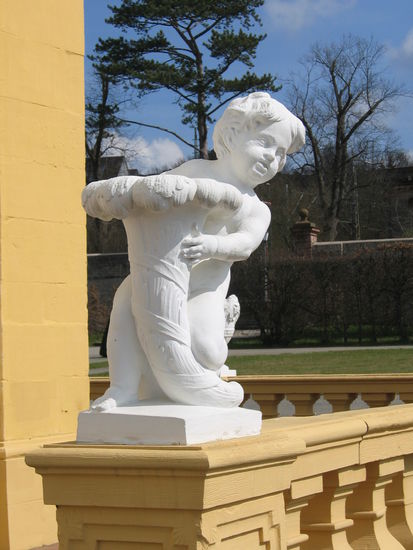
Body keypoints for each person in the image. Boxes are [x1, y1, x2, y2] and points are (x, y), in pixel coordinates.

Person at [83, 92, 305, 410]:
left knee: (208, 349)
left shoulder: (256, 208)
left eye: (281, 153)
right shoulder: (196, 169)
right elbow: (154, 192)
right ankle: (122, 388)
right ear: (232, 135)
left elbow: (244, 245)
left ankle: (210, 355)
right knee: (123, 304)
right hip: (158, 269)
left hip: (204, 288)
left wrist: (212, 245)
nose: (273, 158)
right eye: (265, 143)